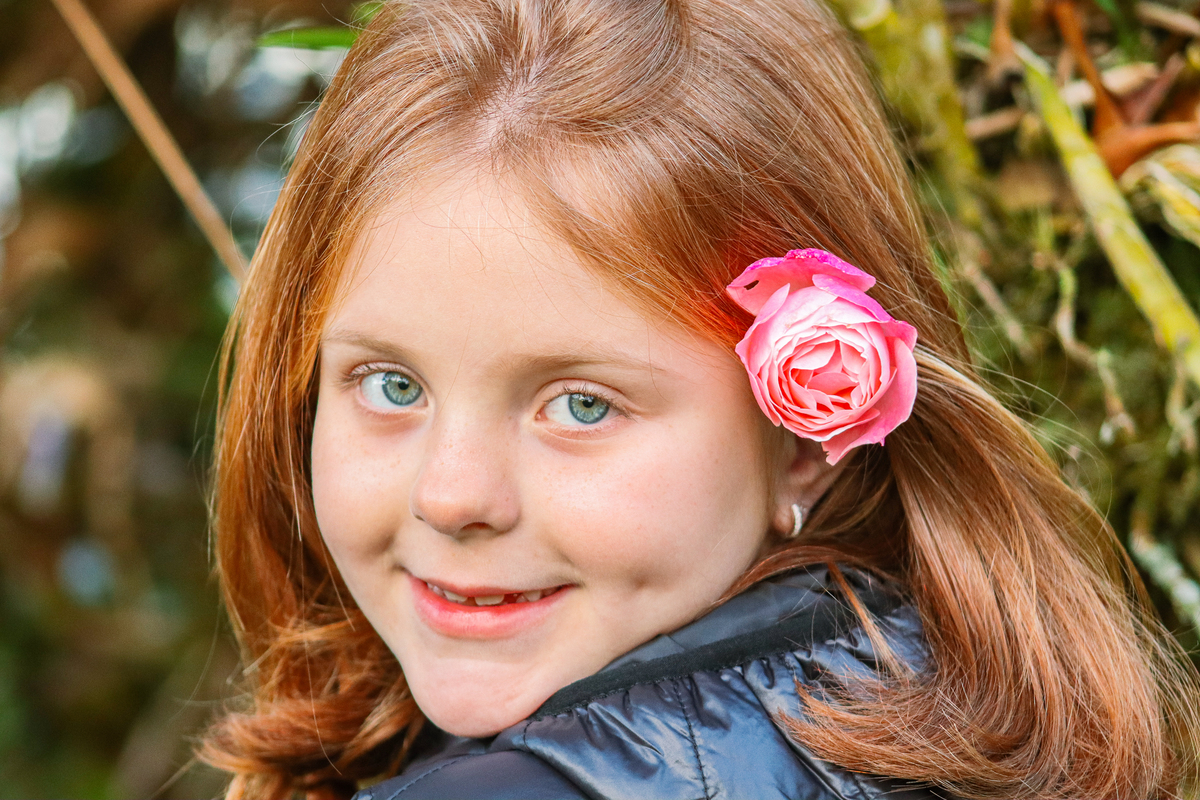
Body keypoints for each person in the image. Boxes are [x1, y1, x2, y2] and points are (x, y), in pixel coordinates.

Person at [198, 0, 1200, 797]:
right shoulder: (954, 718)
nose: (452, 495)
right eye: (392, 385)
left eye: (581, 405)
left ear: (804, 435)